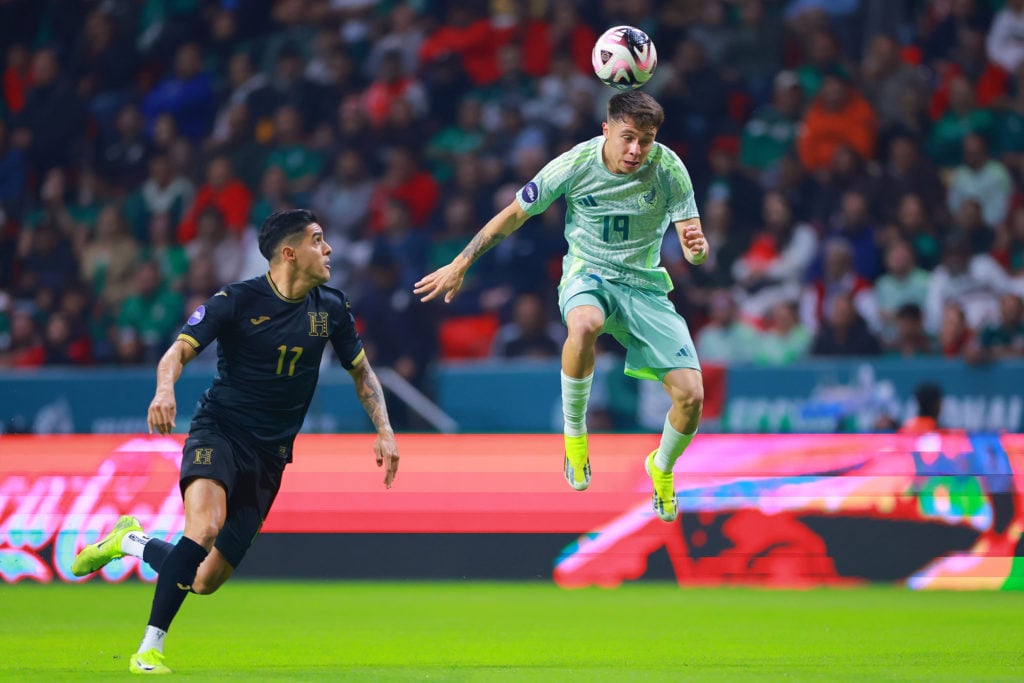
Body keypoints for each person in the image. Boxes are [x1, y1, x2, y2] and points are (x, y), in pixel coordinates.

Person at [70, 209, 400, 674]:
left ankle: (130, 541)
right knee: (203, 527)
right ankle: (149, 648)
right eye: (318, 240)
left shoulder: (331, 310)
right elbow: (177, 351)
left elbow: (361, 371)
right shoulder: (236, 302)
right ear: (289, 253)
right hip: (219, 430)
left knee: (204, 580)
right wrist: (165, 389)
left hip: (271, 456)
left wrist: (384, 431)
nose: (328, 250)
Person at [415, 91, 707, 523]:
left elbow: (693, 241)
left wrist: (697, 251)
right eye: (627, 137)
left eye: (645, 140)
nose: (636, 150)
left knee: (691, 397)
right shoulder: (574, 164)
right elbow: (514, 214)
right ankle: (575, 434)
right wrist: (461, 263)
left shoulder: (669, 168)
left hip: (644, 286)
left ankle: (661, 468)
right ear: (606, 130)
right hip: (589, 272)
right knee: (585, 323)